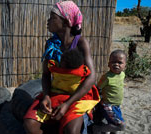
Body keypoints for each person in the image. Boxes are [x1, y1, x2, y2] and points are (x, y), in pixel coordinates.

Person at [23, 1, 100, 134]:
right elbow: (46, 74)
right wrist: (46, 96)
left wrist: (67, 104)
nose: (48, 21)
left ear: (66, 22)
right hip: (55, 94)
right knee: (30, 124)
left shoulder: (80, 43)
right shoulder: (51, 45)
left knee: (71, 130)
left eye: (52, 18)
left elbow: (92, 77)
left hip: (77, 97)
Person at [93, 50, 127, 134]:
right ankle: (97, 129)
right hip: (108, 105)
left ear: (125, 65)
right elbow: (98, 88)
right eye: (113, 62)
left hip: (117, 105)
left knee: (114, 124)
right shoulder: (107, 77)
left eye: (119, 62)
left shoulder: (122, 74)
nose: (116, 64)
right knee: (121, 126)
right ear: (108, 64)